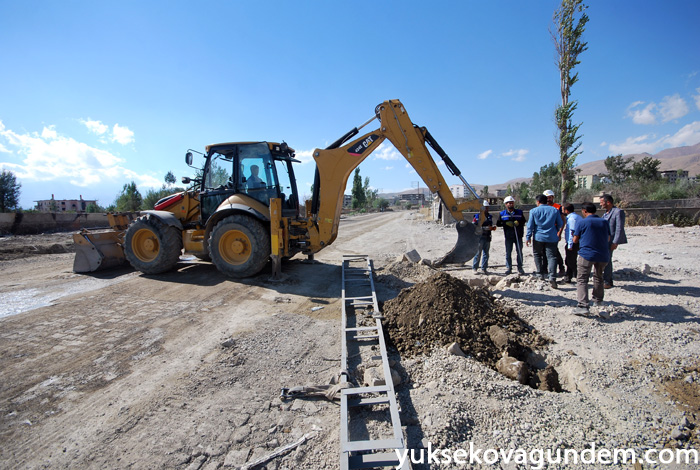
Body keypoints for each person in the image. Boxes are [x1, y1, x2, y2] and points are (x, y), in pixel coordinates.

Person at [572, 202, 611, 316]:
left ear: (584, 211)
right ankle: (598, 300)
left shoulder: (582, 222)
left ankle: (583, 306)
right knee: (599, 277)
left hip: (586, 254)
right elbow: (608, 237)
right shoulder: (604, 222)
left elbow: (575, 240)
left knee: (582, 279)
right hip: (603, 255)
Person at [526, 194, 563, 288]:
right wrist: (556, 231)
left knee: (537, 254)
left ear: (538, 202)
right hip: (551, 237)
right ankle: (552, 277)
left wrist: (528, 237)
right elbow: (560, 223)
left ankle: (540, 274)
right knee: (552, 257)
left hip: (538, 237)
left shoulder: (533, 211)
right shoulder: (554, 210)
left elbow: (530, 225)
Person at [600, 194, 627, 289]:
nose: (600, 204)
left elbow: (619, 228)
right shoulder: (606, 213)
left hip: (611, 241)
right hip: (604, 240)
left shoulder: (618, 212)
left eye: (602, 202)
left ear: (608, 202)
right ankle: (607, 280)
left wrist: (615, 242)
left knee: (607, 261)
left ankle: (607, 281)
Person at [496, 196, 526, 275]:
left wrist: (519, 223)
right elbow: (498, 223)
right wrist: (505, 223)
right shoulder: (502, 214)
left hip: (518, 236)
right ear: (506, 204)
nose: (511, 204)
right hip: (508, 236)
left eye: (512, 203)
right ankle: (509, 268)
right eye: (509, 203)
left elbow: (524, 221)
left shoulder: (519, 212)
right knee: (508, 252)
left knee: (519, 252)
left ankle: (520, 268)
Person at [544, 189, 566, 276]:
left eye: (550, 197)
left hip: (554, 231)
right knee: (544, 251)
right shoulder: (542, 207)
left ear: (553, 198)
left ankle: (561, 267)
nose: (548, 199)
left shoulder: (558, 207)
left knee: (554, 250)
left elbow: (563, 220)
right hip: (545, 232)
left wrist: (559, 233)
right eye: (547, 198)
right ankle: (545, 269)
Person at [472, 200, 496, 274]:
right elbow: (474, 227)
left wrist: (492, 228)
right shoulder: (476, 216)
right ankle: (475, 268)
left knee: (486, 254)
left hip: (487, 237)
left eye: (487, 207)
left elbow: (490, 225)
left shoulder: (489, 216)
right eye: (485, 207)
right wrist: (487, 228)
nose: (486, 209)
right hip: (479, 237)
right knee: (478, 253)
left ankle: (484, 268)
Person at [562, 203, 581, 283]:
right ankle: (568, 277)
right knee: (569, 260)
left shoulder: (572, 219)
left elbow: (572, 232)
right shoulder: (576, 217)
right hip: (574, 242)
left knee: (570, 260)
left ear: (566, 210)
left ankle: (577, 276)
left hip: (573, 243)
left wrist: (570, 244)